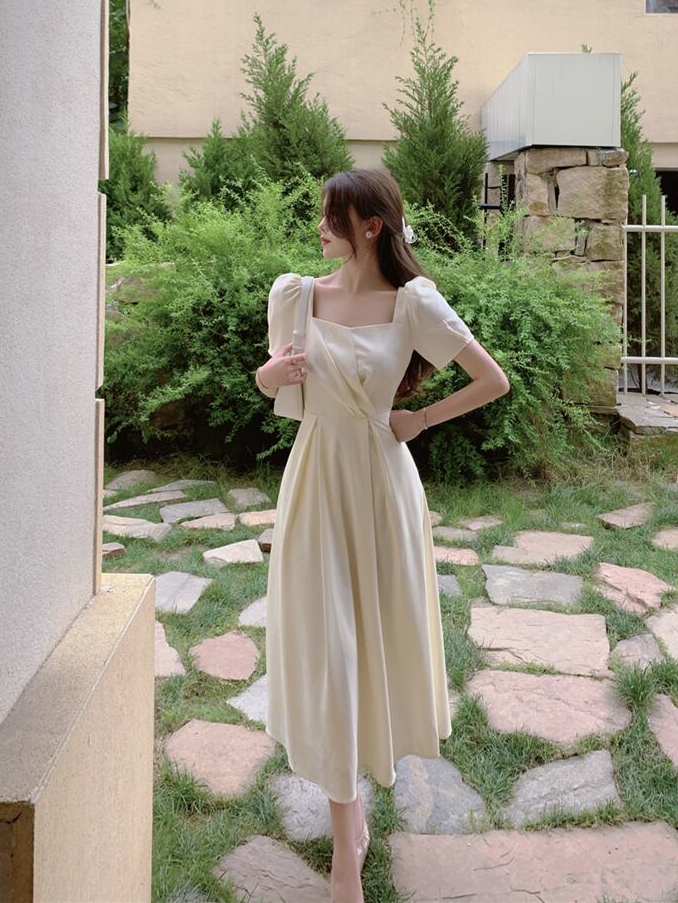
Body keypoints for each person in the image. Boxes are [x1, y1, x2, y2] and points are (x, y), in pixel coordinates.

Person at [255, 167, 509, 902]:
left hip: (383, 486)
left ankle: (354, 815)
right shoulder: (297, 296)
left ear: (371, 225)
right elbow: (277, 388)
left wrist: (418, 419)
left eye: (333, 216)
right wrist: (271, 375)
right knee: (330, 651)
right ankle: (347, 836)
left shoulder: (412, 302)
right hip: (316, 481)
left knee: (371, 643)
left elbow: (492, 380)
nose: (320, 227)